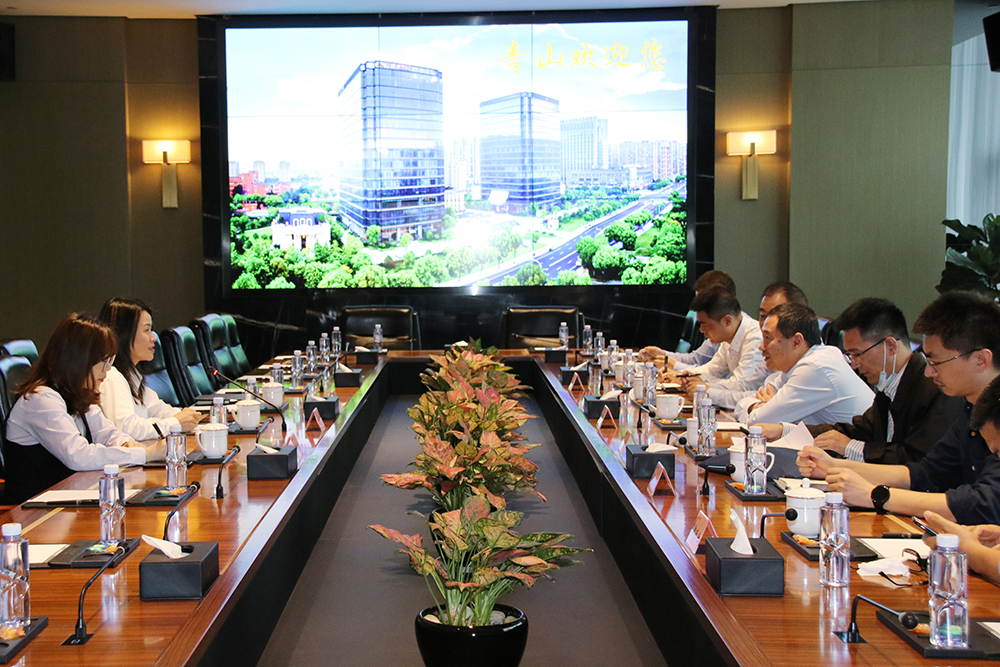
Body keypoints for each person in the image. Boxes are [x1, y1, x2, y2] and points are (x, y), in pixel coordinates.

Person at [796, 291, 1000, 524]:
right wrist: (835, 466)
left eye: (936, 362)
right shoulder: (969, 406)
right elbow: (925, 472)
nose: (929, 372)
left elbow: (984, 502)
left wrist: (875, 495)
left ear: (981, 360)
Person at [762, 298, 963, 464]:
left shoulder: (933, 388)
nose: (855, 365)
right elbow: (855, 430)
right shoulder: (889, 386)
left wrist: (850, 447)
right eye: (850, 356)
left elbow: (915, 458)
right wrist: (784, 430)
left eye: (858, 354)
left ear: (890, 346)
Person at [5, 314, 166, 504]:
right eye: (104, 361)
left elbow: (107, 433)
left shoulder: (78, 392)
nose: (108, 370)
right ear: (79, 360)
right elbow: (79, 456)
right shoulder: (41, 399)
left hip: (68, 500)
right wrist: (145, 454)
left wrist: (125, 443)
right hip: (35, 513)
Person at [737, 303, 874, 426]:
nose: (761, 347)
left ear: (797, 341)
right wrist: (759, 406)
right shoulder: (797, 365)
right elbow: (742, 405)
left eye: (768, 338)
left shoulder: (815, 367)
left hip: (857, 444)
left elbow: (758, 424)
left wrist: (765, 408)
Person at [98, 297, 200, 439]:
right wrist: (175, 422)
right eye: (146, 330)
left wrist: (189, 416)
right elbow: (127, 429)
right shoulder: (112, 377)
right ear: (124, 334)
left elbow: (158, 409)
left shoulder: (132, 374)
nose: (153, 338)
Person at [663, 287, 766, 409]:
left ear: (727, 321)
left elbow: (741, 384)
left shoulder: (755, 338)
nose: (701, 330)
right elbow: (713, 369)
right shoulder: (729, 335)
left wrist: (702, 385)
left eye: (704, 324)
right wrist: (685, 376)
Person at [640, 270, 736, 370]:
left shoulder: (744, 339)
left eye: (703, 302)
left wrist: (674, 365)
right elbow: (697, 361)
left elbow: (714, 374)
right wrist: (663, 355)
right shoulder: (722, 336)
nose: (701, 330)